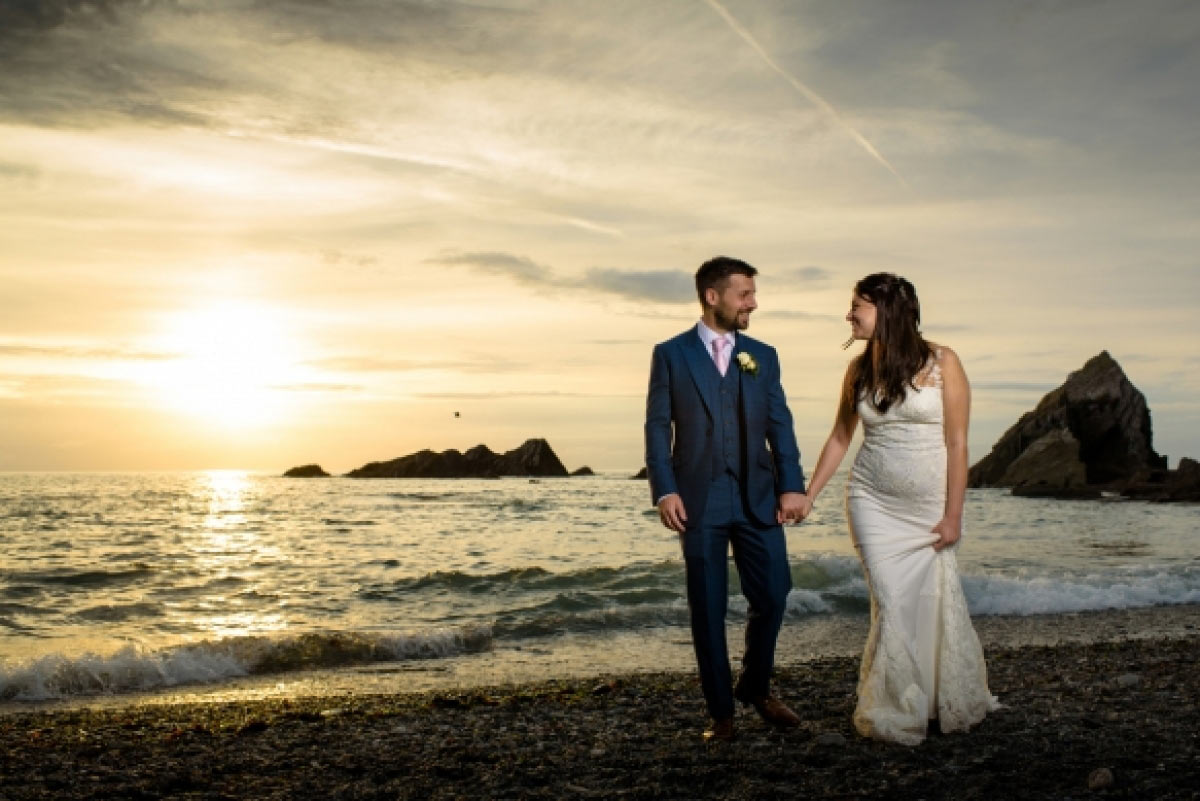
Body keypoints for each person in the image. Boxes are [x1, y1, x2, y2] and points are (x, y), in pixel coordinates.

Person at [796, 272, 998, 745]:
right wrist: (809, 496)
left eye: (857, 306)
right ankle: (895, 703)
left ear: (886, 311)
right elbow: (841, 438)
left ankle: (930, 697)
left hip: (928, 508)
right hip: (872, 500)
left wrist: (954, 516)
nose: (849, 315)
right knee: (891, 600)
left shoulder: (944, 362)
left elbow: (958, 441)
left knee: (925, 601)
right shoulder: (857, 371)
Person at [644, 256, 807, 742]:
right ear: (713, 296)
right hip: (696, 498)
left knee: (775, 594)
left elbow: (780, 422)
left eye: (753, 294)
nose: (753, 302)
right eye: (745, 294)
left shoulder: (763, 355)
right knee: (708, 607)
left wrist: (791, 484)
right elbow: (656, 425)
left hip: (758, 496)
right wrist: (665, 489)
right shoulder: (671, 354)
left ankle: (755, 686)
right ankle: (722, 714)